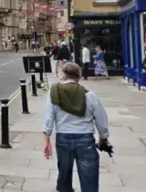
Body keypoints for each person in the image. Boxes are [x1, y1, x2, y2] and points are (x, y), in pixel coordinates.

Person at [43, 62, 110, 192]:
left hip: (63, 139)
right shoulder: (90, 96)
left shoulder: (54, 93)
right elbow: (101, 120)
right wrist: (103, 138)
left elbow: (49, 118)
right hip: (85, 139)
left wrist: (46, 141)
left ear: (63, 75)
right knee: (89, 181)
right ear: (79, 76)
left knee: (64, 177)